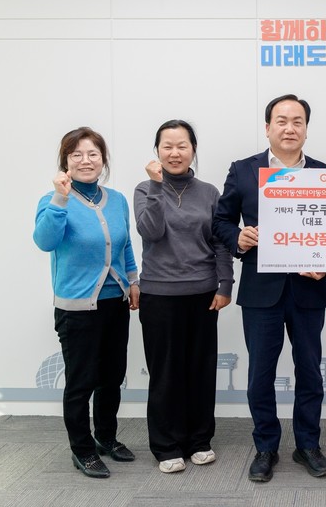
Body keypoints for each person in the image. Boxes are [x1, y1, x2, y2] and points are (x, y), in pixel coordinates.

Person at [213, 94, 326, 482]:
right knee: (260, 375)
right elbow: (221, 222)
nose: (289, 128)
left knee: (310, 372)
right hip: (260, 289)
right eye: (281, 121)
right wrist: (238, 238)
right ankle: (266, 447)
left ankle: (308, 445)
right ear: (268, 128)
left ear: (306, 129)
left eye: (297, 121)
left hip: (308, 290)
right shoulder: (243, 170)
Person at [34, 127, 139, 479]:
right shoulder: (54, 200)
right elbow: (45, 241)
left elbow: (124, 245)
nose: (85, 160)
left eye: (93, 153)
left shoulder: (117, 200)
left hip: (115, 304)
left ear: (103, 159)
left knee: (112, 377)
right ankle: (82, 449)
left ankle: (105, 438)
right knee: (81, 382)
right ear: (65, 161)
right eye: (76, 154)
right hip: (77, 310)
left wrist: (133, 280)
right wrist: (60, 198)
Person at [134, 120, 234, 474]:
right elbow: (151, 231)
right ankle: (166, 445)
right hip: (159, 295)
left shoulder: (208, 192)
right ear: (157, 151)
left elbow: (220, 242)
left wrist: (225, 284)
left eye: (182, 146)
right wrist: (157, 186)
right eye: (167, 146)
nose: (175, 153)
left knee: (200, 370)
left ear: (193, 150)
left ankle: (199, 440)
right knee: (166, 373)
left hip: (203, 294)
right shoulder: (145, 189)